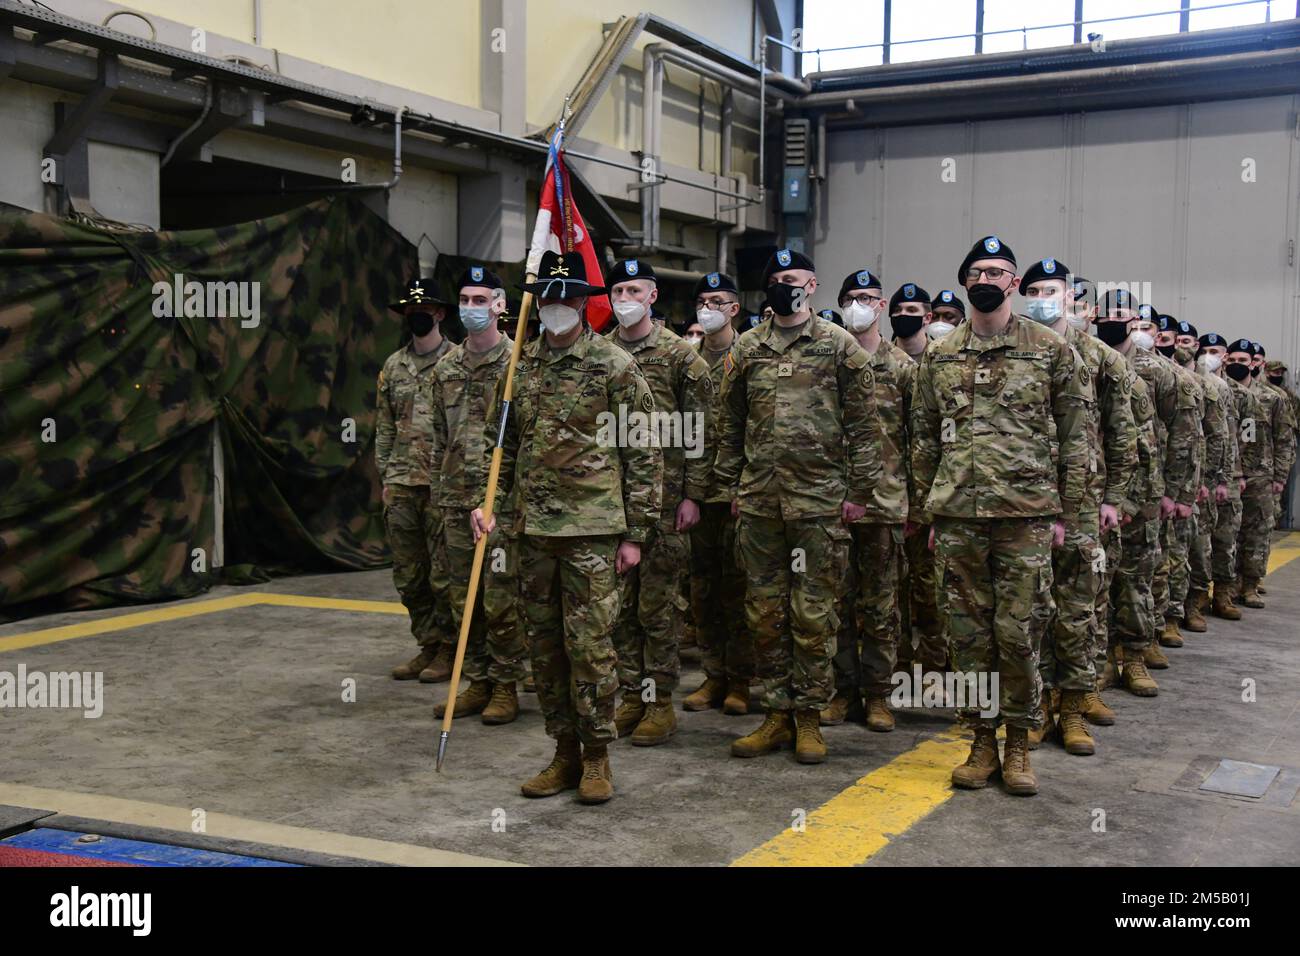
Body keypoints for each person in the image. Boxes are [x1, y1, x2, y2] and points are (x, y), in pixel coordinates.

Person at [471, 250, 662, 804]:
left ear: (583, 303)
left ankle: (598, 757)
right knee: (546, 648)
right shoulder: (519, 369)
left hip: (593, 533)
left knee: (592, 647)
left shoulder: (613, 366)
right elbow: (498, 447)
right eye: (548, 299)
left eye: (567, 299)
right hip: (532, 532)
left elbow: (644, 452)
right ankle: (563, 752)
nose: (557, 308)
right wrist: (490, 504)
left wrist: (636, 534)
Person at [912, 236, 1091, 796]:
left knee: (1019, 633)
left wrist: (1070, 513)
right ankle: (981, 740)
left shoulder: (1049, 350)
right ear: (965, 282)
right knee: (967, 638)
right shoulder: (939, 356)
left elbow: (1077, 437)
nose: (988, 278)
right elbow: (921, 437)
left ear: (1014, 282)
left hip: (1028, 518)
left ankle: (1018, 743)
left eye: (999, 271)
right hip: (960, 518)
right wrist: (929, 509)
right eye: (978, 271)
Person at [714, 248, 883, 765]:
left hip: (818, 504)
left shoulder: (839, 347)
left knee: (814, 613)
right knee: (764, 613)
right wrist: (731, 489)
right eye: (777, 278)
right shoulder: (746, 348)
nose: (784, 285)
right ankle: (776, 714)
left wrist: (858, 493)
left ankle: (809, 718)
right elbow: (729, 424)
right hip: (761, 503)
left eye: (794, 278)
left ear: (812, 286)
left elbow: (864, 426)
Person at [1019, 258, 1136, 754]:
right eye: (1036, 289)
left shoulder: (1100, 358)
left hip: (1084, 504)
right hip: (1026, 502)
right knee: (1030, 609)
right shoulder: (1015, 350)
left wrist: (1115, 496)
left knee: (1078, 608)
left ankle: (1074, 708)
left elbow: (1124, 430)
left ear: (1072, 297)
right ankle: (1036, 706)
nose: (1044, 297)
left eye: (1053, 289)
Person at [604, 259, 714, 746]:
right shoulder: (600, 352)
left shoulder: (680, 357)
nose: (624, 298)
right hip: (611, 501)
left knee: (659, 607)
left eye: (634, 290)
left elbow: (702, 432)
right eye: (618, 289)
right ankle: (632, 694)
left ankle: (660, 703)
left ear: (652, 297)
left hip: (667, 503)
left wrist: (692, 495)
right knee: (620, 607)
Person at [427, 266, 528, 724]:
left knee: (500, 595)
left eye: (480, 300)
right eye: (465, 300)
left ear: (500, 305)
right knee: (458, 594)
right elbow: (435, 436)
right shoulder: (445, 367)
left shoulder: (518, 366)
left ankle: (507, 684)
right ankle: (478, 680)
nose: (471, 308)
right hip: (454, 498)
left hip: (499, 502)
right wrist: (437, 492)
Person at [1094, 292, 1198, 697]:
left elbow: (1185, 434)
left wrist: (1176, 491)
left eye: (1121, 315)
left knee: (1137, 577)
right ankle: (1101, 658)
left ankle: (1134, 655)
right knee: (1097, 580)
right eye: (1107, 315)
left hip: (1144, 494)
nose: (1113, 322)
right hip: (1097, 491)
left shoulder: (1160, 373)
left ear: (1136, 320)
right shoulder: (1085, 362)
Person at [822, 269, 911, 732]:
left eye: (869, 298)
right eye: (851, 297)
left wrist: (918, 505)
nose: (860, 305)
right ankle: (841, 691)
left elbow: (921, 439)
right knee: (835, 602)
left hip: (884, 503)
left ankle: (878, 695)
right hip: (831, 502)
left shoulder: (903, 368)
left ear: (882, 307)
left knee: (880, 606)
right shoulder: (826, 360)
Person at [377, 277, 456, 683]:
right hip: (403, 481)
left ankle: (448, 647)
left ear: (440, 313)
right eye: (411, 311)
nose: (418, 317)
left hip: (444, 484)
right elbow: (385, 425)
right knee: (409, 574)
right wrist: (386, 474)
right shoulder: (394, 366)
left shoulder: (457, 362)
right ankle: (427, 642)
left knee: (444, 575)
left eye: (424, 310)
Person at [682, 271, 754, 717]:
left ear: (734, 310)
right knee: (702, 589)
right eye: (702, 301)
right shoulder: (685, 358)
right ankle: (713, 673)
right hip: (697, 491)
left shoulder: (749, 354)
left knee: (741, 588)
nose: (707, 309)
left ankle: (742, 679)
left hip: (740, 492)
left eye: (717, 301)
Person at [1149, 312, 1204, 656]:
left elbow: (1193, 438)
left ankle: (1161, 624)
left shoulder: (1176, 378)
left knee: (1160, 559)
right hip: (1111, 486)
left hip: (1157, 482)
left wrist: (1181, 490)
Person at [1234, 341, 1296, 606]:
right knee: (1229, 533)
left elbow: (1284, 440)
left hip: (1261, 474)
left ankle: (1250, 584)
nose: (1237, 364)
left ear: (1255, 363)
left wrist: (1280, 477)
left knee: (1257, 532)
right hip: (1232, 474)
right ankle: (1229, 583)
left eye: (1244, 359)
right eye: (1232, 358)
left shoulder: (1273, 398)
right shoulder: (1226, 392)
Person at [1184, 330, 1235, 633]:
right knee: (1187, 548)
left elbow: (1223, 437)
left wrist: (1219, 478)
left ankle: (1199, 599)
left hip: (1203, 478)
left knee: (1206, 544)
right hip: (1180, 479)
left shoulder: (1216, 388)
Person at [890, 283, 933, 359]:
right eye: (897, 310)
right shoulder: (880, 357)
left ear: (927, 318)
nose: (902, 314)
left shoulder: (941, 356)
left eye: (911, 310)